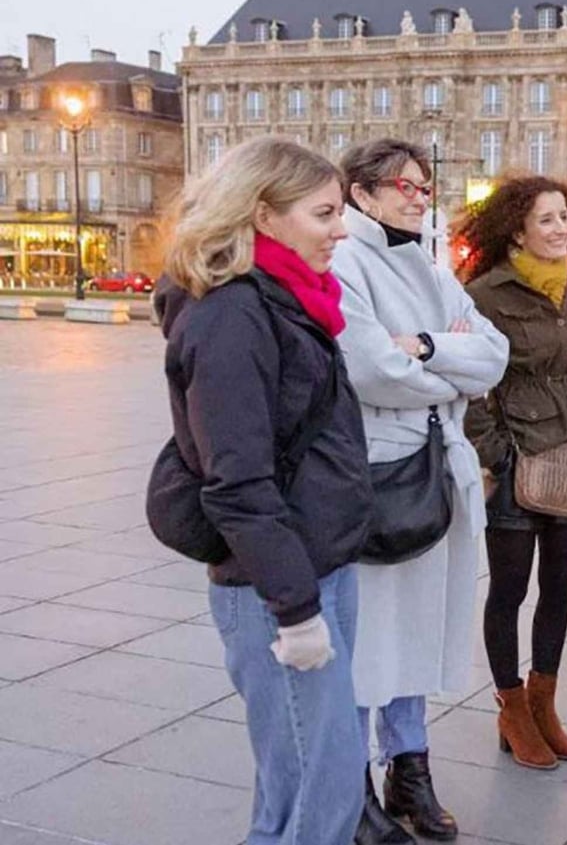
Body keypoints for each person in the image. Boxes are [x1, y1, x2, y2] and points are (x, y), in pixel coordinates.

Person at [155, 136, 373, 845]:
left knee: (295, 779)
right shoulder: (231, 317)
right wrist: (297, 609)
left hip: (319, 566)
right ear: (263, 214)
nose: (341, 229)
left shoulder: (289, 299)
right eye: (324, 213)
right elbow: (238, 482)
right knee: (326, 778)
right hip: (276, 586)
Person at [333, 140, 509, 843]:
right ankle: (352, 783)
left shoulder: (432, 266)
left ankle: (411, 765)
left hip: (438, 466)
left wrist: (431, 348)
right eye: (401, 184)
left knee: (420, 629)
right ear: (361, 192)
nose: (417, 195)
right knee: (370, 636)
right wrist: (450, 370)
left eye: (424, 184)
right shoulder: (347, 260)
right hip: (382, 474)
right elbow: (369, 365)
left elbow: (492, 353)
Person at [462, 177, 567, 771]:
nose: (559, 231)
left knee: (559, 590)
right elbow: (470, 385)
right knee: (510, 590)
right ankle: (512, 708)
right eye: (546, 221)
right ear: (517, 230)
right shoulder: (485, 294)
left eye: (564, 220)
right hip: (519, 464)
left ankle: (545, 702)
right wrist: (498, 454)